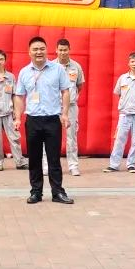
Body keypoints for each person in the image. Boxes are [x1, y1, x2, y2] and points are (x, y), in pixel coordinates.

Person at [14, 36, 73, 204]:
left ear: (47, 50)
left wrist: (65, 114)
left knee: (54, 158)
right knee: (34, 158)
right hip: (33, 120)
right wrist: (18, 118)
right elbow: (19, 96)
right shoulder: (24, 72)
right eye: (35, 49)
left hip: (52, 120)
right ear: (29, 52)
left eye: (42, 49)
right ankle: (36, 192)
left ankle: (57, 193)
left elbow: (66, 92)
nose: (39, 52)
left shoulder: (58, 69)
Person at [104, 52, 135, 173]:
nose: (134, 64)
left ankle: (131, 164)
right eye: (132, 61)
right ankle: (114, 165)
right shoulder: (122, 78)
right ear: (128, 63)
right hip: (124, 114)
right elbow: (119, 94)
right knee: (119, 139)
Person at [44, 39, 84, 176]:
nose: (62, 53)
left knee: (71, 137)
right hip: (53, 107)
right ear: (56, 50)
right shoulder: (49, 66)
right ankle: (47, 166)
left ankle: (73, 165)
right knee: (49, 137)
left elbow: (79, 86)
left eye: (65, 50)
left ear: (69, 50)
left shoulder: (76, 67)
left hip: (71, 107)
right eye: (60, 50)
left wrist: (72, 98)